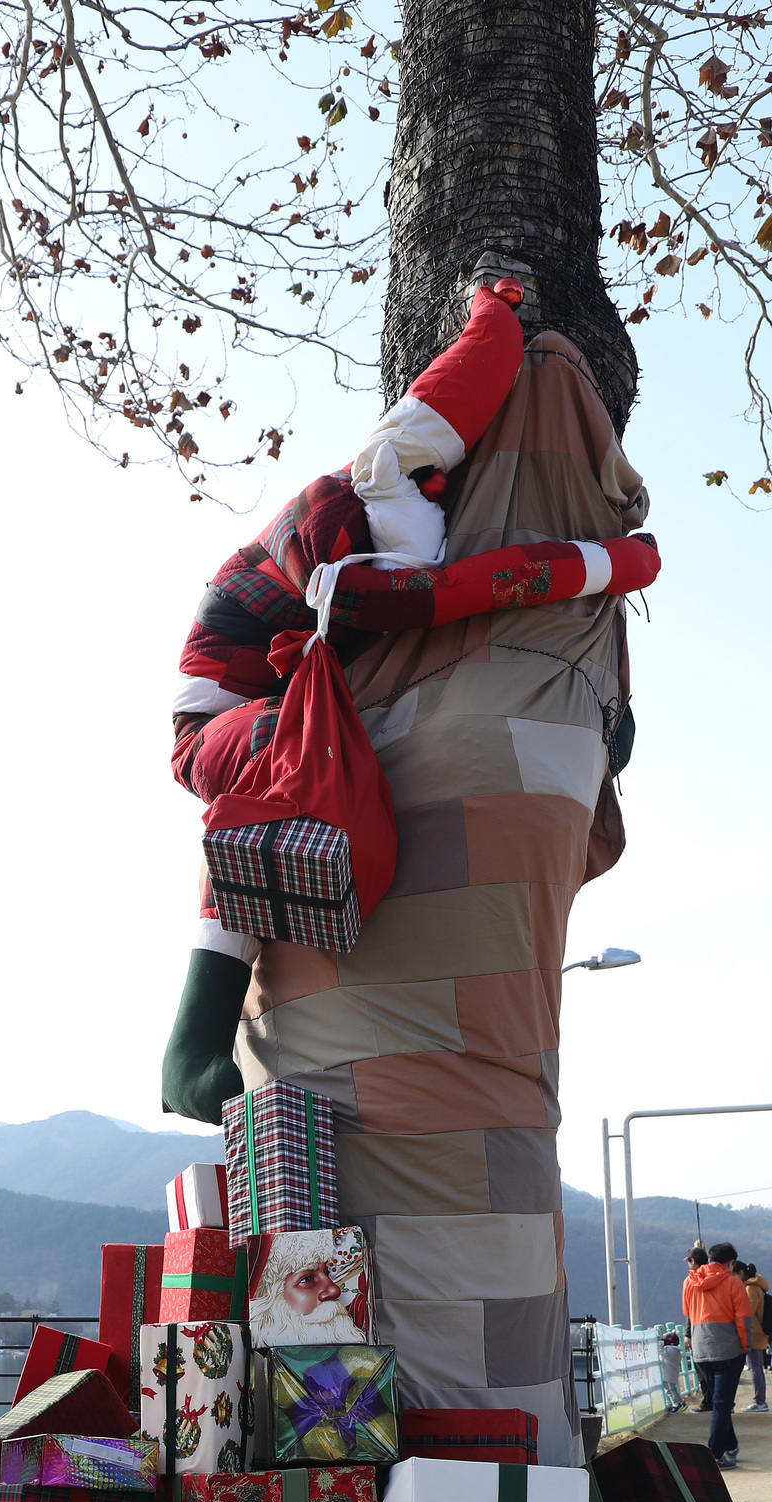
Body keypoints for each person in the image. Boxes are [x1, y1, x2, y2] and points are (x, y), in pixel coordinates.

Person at [160, 277, 662, 1124]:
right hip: (222, 715)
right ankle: (190, 1050)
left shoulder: (388, 522)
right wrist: (492, 314)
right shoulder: (373, 527)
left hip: (271, 680)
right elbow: (471, 585)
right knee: (287, 798)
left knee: (293, 786)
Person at [682, 1241, 751, 1469]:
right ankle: (715, 1454)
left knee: (720, 1403)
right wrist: (745, 1347)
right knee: (722, 1404)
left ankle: (730, 1446)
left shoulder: (689, 1282)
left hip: (701, 1352)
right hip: (728, 1352)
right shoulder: (734, 1283)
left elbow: (687, 1313)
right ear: (730, 1263)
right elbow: (743, 1320)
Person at [684, 1245, 713, 1410]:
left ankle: (708, 1401)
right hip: (719, 1330)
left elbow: (689, 1310)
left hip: (698, 1329)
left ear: (692, 1261)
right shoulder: (719, 1277)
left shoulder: (690, 1281)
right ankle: (724, 1402)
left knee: (702, 1368)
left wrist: (688, 1334)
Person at [738, 1261, 769, 1412]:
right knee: (757, 1366)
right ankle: (760, 1400)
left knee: (754, 1367)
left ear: (741, 1274)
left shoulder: (751, 1288)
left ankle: (760, 1401)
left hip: (753, 1334)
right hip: (759, 1333)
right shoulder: (758, 1286)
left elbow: (747, 1313)